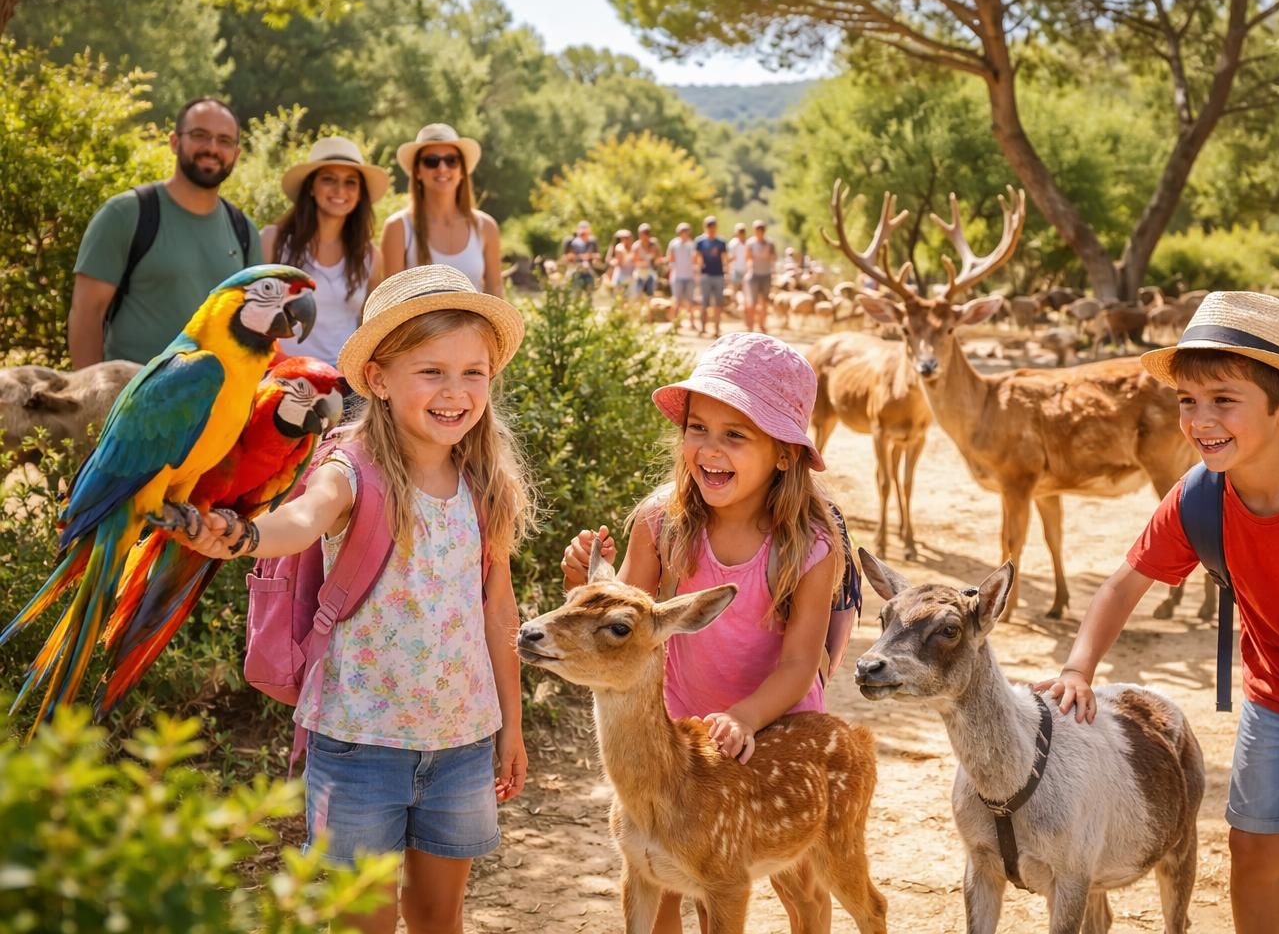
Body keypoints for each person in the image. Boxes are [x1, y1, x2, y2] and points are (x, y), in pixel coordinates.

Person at [1040, 291, 1279, 934]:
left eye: (1224, 400)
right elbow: (1121, 587)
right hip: (1278, 699)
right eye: (1187, 402)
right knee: (1251, 852)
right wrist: (1079, 666)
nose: (1200, 420)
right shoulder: (1198, 497)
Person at [176, 265, 534, 934]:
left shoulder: (485, 482)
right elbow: (305, 518)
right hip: (359, 742)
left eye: (473, 372)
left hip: (461, 741)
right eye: (431, 372)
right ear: (379, 378)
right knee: (359, 922)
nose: (455, 392)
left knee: (439, 917)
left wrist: (509, 725)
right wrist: (248, 535)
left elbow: (498, 612)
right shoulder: (351, 466)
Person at [561, 332, 845, 934]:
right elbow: (629, 620)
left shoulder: (809, 546)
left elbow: (800, 665)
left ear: (786, 453)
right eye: (698, 428)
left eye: (735, 435)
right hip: (679, 737)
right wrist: (584, 588)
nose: (709, 449)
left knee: (801, 885)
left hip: (773, 733)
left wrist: (744, 717)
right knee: (661, 871)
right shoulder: (661, 520)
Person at [70, 97, 261, 367]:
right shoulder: (124, 214)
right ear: (174, 141)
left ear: (236, 154)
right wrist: (91, 400)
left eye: (224, 140)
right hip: (132, 401)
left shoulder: (245, 231)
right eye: (199, 135)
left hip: (217, 405)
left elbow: (252, 330)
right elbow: (87, 313)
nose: (212, 148)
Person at [262, 136, 390, 368]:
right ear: (311, 187)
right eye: (329, 179)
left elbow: (367, 328)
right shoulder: (274, 241)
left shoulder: (370, 256)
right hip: (281, 378)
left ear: (360, 193)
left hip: (344, 383)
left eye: (350, 182)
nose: (340, 190)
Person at [382, 124, 503, 297]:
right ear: (417, 171)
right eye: (431, 161)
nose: (442, 168)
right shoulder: (399, 228)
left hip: (475, 325)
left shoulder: (485, 227)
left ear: (462, 170)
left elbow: (495, 291)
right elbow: (391, 302)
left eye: (451, 160)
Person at [694, 215, 728, 338]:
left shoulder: (721, 242)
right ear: (705, 227)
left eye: (713, 227)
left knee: (718, 303)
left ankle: (716, 329)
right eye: (709, 227)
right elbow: (697, 258)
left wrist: (726, 273)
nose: (711, 229)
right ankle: (702, 328)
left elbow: (724, 259)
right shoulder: (700, 242)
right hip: (705, 275)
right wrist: (698, 271)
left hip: (718, 275)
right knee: (704, 303)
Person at [744, 220, 777, 333]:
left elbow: (773, 258)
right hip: (754, 275)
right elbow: (747, 258)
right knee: (752, 302)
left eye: (761, 230)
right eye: (757, 230)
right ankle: (750, 326)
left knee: (764, 302)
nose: (759, 232)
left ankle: (762, 324)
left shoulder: (770, 243)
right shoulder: (750, 243)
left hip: (766, 274)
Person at [668, 222, 699, 331]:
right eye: (682, 231)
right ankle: (675, 323)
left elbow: (695, 260)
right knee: (676, 300)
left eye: (686, 231)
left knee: (690, 301)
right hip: (677, 276)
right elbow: (670, 258)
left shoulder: (692, 244)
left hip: (689, 276)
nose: (684, 233)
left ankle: (692, 323)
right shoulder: (674, 244)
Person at [563, 220, 600, 293]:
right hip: (574, 268)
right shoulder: (570, 241)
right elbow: (565, 257)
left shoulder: (592, 241)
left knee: (591, 290)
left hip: (588, 269)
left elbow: (598, 255)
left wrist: (590, 256)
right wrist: (579, 257)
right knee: (573, 291)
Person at [607, 228, 636, 303]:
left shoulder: (634, 248)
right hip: (620, 273)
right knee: (618, 294)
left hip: (631, 274)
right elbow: (612, 260)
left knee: (629, 295)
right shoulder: (618, 247)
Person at [632, 223, 660, 298]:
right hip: (639, 274)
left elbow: (658, 259)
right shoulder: (636, 246)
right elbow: (635, 261)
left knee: (650, 295)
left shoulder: (654, 244)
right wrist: (644, 262)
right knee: (638, 295)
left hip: (650, 274)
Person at [727, 221, 749, 297]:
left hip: (746, 270)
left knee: (746, 290)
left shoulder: (748, 243)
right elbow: (729, 257)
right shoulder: (733, 243)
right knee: (735, 289)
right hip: (735, 269)